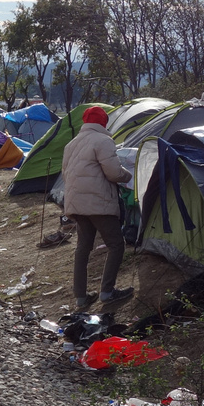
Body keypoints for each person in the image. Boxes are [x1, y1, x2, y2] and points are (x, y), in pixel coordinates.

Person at [60, 105, 132, 310]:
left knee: (83, 248)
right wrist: (128, 176)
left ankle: (81, 297)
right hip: (98, 203)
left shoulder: (71, 144)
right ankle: (107, 292)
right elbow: (114, 173)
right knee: (116, 245)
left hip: (76, 203)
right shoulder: (103, 140)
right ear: (103, 122)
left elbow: (66, 173)